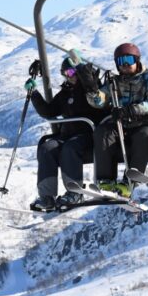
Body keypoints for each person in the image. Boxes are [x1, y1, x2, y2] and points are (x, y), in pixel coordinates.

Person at [76, 42, 148, 197]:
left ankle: (130, 182)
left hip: (142, 122)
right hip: (120, 124)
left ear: (137, 60)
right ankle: (105, 181)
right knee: (102, 132)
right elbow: (99, 101)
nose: (124, 65)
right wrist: (91, 88)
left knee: (144, 135)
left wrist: (133, 109)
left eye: (128, 60)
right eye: (120, 62)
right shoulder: (114, 82)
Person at [25, 56, 106, 212]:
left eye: (70, 72)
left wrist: (84, 73)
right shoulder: (65, 93)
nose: (68, 76)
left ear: (80, 72)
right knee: (47, 148)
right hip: (68, 135)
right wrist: (34, 93)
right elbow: (49, 111)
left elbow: (97, 98)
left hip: (89, 134)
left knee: (70, 148)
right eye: (64, 73)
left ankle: (74, 192)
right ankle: (47, 197)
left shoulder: (92, 88)